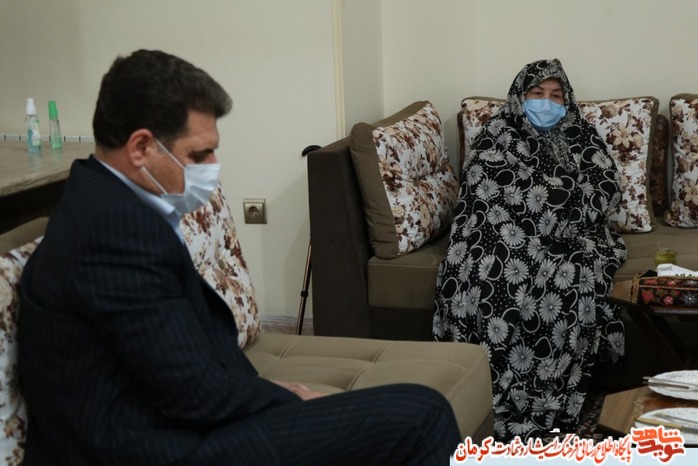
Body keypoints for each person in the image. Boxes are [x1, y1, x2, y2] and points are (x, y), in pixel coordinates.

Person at [18, 49, 460, 465]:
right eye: (199, 153)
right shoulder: (116, 230)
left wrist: (266, 391)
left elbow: (174, 357)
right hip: (149, 447)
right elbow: (190, 390)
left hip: (166, 424)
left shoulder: (99, 197)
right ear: (140, 148)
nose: (212, 166)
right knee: (421, 414)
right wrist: (290, 398)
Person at [432, 59, 627, 442]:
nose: (546, 102)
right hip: (504, 231)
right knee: (490, 268)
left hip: (571, 234)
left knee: (572, 275)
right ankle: (487, 399)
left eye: (556, 95)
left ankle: (547, 404)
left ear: (567, 100)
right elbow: (483, 189)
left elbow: (606, 185)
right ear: (520, 97)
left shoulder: (582, 135)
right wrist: (536, 216)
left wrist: (555, 214)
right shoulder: (495, 134)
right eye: (537, 93)